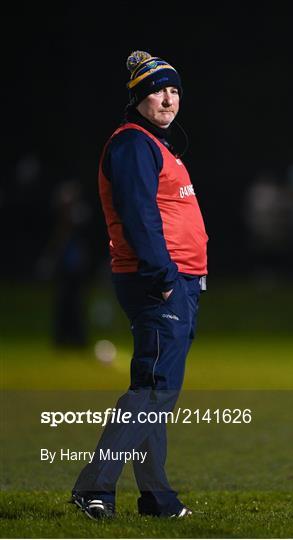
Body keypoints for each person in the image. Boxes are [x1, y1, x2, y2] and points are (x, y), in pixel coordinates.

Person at [71, 51, 208, 520]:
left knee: (157, 392)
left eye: (174, 90)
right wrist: (163, 276)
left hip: (179, 282)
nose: (169, 98)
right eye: (158, 89)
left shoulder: (156, 144)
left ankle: (157, 498)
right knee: (152, 390)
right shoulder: (132, 143)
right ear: (138, 97)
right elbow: (139, 216)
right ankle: (94, 487)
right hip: (158, 282)